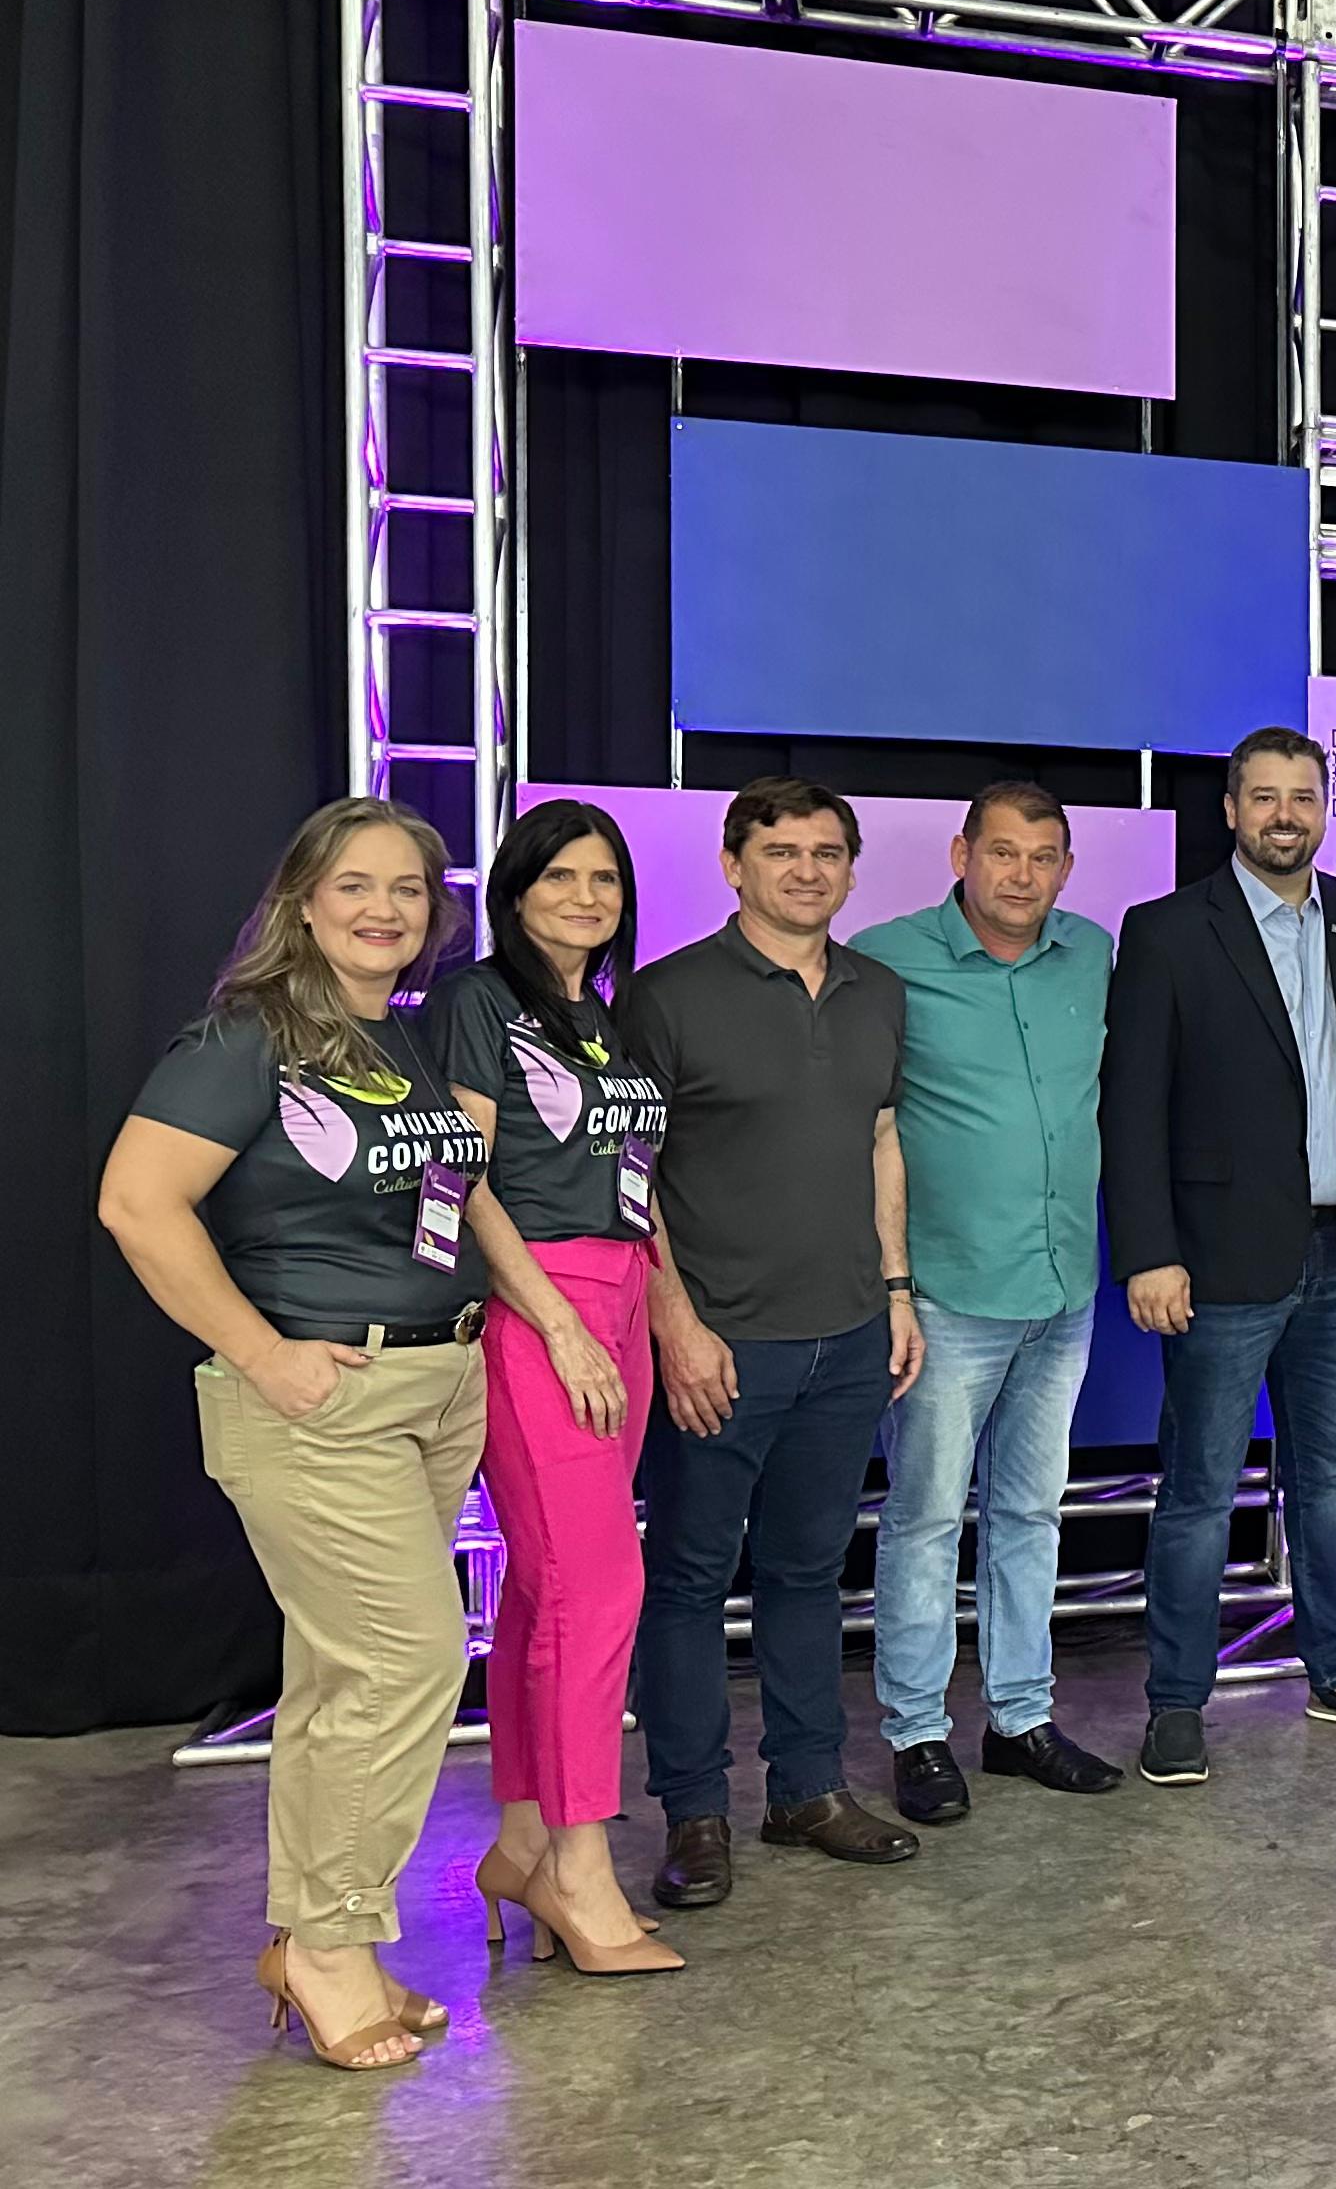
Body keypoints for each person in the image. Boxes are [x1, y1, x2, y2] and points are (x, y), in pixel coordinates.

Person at [98, 799, 494, 2066]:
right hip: (323, 1398)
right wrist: (263, 1354)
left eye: (408, 889)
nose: (384, 908)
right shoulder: (247, 1035)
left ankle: (325, 1942)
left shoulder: (395, 1037)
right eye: (355, 885)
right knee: (407, 1661)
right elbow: (137, 1203)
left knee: (341, 1682)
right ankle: (327, 1949)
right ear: (302, 903)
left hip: (435, 1388)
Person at [624, 778, 925, 1906]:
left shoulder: (876, 991)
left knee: (808, 1572)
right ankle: (694, 1812)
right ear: (732, 863)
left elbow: (882, 1139)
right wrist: (676, 1323)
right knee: (690, 1580)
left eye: (827, 852)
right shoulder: (665, 998)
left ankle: (807, 1789)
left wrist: (896, 1291)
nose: (807, 870)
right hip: (721, 1346)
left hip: (847, 1336)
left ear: (850, 868)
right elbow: (630, 1176)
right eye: (782, 850)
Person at [1104, 729, 1336, 1782]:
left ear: (1325, 810)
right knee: (1200, 1491)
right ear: (1232, 810)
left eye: (1304, 797)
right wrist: (1149, 1252)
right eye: (1266, 797)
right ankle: (1176, 1700)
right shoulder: (1166, 930)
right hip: (1216, 1261)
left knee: (1328, 1481)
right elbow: (1132, 1106)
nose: (1286, 815)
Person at [431, 799, 682, 1973]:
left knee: (548, 1591)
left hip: (621, 1299)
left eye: (606, 880)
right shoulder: (481, 1002)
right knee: (598, 1585)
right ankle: (581, 1870)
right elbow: (465, 1179)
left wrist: (662, 1312)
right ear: (516, 890)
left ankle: (525, 1841)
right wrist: (560, 1327)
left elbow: (634, 1182)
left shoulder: (601, 1017)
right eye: (562, 877)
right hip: (541, 1309)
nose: (588, 898)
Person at [851, 783, 1124, 1820]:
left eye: (1044, 857)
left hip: (1062, 1288)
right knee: (925, 1519)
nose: (1022, 875)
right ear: (961, 853)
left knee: (1030, 1512)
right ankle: (917, 1733)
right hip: (947, 1292)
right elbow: (863, 1124)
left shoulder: (1090, 952)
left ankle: (1019, 1719)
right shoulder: (887, 958)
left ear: (1067, 868)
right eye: (1002, 853)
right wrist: (890, 1282)